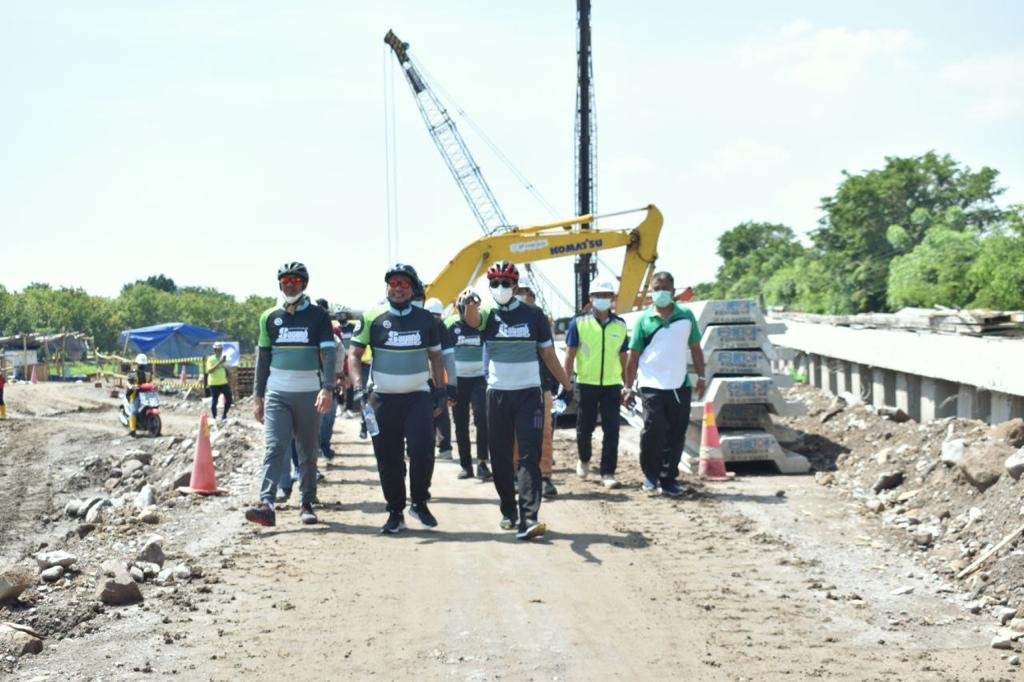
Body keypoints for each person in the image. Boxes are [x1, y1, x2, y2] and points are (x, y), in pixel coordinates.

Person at [462, 261, 572, 541]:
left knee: (528, 456)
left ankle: (529, 517)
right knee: (500, 457)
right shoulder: (487, 314)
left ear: (515, 286)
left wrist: (567, 384)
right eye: (495, 283)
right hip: (497, 394)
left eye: (506, 283)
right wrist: (470, 303)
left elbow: (548, 355)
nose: (501, 288)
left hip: (529, 395)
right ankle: (508, 511)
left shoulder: (534, 316)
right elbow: (472, 321)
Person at [348, 264, 448, 534]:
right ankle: (395, 511)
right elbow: (354, 354)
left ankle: (419, 502)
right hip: (382, 400)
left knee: (422, 450)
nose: (398, 288)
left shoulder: (427, 319)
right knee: (388, 458)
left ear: (413, 289)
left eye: (404, 284)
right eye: (393, 283)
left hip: (418, 397)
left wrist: (441, 392)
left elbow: (436, 357)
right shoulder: (373, 317)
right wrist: (358, 389)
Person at [244, 262, 336, 527]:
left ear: (304, 284)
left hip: (309, 393)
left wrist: (327, 388)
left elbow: (328, 353)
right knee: (275, 447)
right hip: (277, 394)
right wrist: (257, 397)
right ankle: (267, 504)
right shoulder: (269, 317)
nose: (290, 284)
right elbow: (263, 359)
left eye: (296, 280)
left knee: (307, 450)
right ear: (280, 284)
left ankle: (306, 502)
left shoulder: (318, 316)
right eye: (285, 280)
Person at [621, 271, 706, 496]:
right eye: (656, 288)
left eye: (665, 288)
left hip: (679, 385)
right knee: (653, 430)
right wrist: (628, 387)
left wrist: (702, 376)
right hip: (650, 386)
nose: (661, 292)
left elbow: (696, 348)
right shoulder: (643, 320)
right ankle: (650, 475)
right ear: (650, 291)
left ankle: (669, 479)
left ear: (673, 290)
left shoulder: (686, 316)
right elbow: (633, 357)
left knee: (676, 433)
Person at [563, 281, 628, 489]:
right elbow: (570, 354)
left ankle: (607, 472)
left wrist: (627, 383)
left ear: (612, 299)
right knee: (584, 427)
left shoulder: (620, 325)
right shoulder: (578, 323)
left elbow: (623, 356)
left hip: (611, 384)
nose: (602, 299)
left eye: (606, 295)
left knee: (612, 430)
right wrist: (566, 383)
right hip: (586, 383)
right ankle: (584, 459)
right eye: (598, 295)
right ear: (591, 298)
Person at [510, 278, 559, 498]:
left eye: (526, 293)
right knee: (514, 435)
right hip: (511, 387)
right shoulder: (504, 321)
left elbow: (550, 355)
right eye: (519, 292)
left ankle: (545, 476)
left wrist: (556, 383)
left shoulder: (540, 320)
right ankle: (516, 475)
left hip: (540, 387)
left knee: (544, 433)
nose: (523, 296)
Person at [445, 289, 492, 481]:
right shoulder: (449, 325)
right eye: (467, 307)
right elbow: (443, 354)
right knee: (461, 423)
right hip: (458, 381)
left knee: (482, 419)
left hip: (480, 380)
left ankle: (482, 462)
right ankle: (466, 465)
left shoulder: (483, 323)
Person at [424, 297, 456, 462]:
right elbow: (449, 357)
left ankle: (435, 447)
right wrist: (451, 384)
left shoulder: (422, 322)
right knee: (440, 411)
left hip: (429, 376)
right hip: (438, 376)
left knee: (428, 411)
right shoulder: (441, 326)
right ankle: (444, 448)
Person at [205, 341, 233, 424]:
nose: (220, 351)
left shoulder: (224, 359)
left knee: (229, 399)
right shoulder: (211, 359)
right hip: (213, 383)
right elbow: (209, 371)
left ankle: (224, 415)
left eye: (221, 349)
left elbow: (228, 370)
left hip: (224, 382)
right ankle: (214, 418)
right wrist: (219, 363)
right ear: (215, 350)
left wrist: (230, 380)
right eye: (218, 349)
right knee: (215, 401)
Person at [126, 353, 151, 437]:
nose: (142, 367)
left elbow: (152, 382)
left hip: (144, 395)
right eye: (141, 365)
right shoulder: (132, 373)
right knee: (134, 411)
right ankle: (132, 430)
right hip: (134, 395)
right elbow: (128, 382)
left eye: (143, 365)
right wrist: (131, 386)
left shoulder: (147, 375)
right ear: (137, 364)